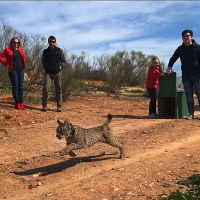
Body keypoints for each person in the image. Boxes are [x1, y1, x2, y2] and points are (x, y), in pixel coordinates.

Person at [167, 29, 200, 119]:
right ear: (182, 38)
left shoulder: (197, 47)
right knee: (188, 95)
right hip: (186, 75)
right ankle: (191, 114)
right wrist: (169, 67)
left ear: (191, 37)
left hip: (197, 75)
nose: (186, 38)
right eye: (184, 36)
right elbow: (173, 58)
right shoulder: (180, 49)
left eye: (187, 36)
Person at [0, 37, 26, 110]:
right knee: (15, 86)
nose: (16, 44)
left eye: (17, 43)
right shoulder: (7, 50)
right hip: (13, 70)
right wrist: (6, 63)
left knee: (21, 87)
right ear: (11, 43)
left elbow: (24, 57)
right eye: (14, 42)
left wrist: (23, 63)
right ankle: (17, 103)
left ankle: (21, 103)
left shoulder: (20, 50)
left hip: (20, 70)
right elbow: (0, 56)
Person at [41, 36, 66, 112]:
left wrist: (61, 66)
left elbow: (63, 61)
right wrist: (45, 67)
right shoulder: (45, 51)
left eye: (53, 41)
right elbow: (43, 61)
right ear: (48, 42)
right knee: (46, 88)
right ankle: (44, 105)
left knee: (58, 89)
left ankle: (59, 106)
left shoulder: (59, 51)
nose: (52, 43)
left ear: (55, 42)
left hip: (57, 73)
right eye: (50, 42)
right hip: (48, 73)